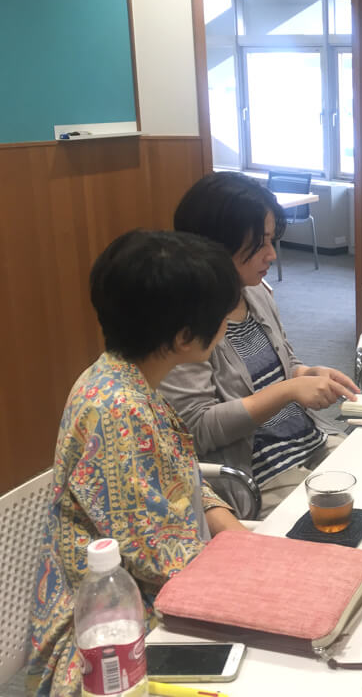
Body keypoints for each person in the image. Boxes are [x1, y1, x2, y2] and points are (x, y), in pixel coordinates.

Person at [27, 231, 247, 697]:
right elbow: (155, 555)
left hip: (151, 592)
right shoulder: (117, 408)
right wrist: (254, 571)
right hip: (110, 639)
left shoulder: (124, 376)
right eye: (221, 318)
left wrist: (232, 529)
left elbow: (177, 477)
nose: (226, 326)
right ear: (184, 336)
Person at [160, 172, 359, 516]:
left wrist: (305, 373)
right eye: (260, 244)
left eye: (271, 241)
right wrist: (288, 391)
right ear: (215, 244)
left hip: (309, 441)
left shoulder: (254, 292)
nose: (272, 255)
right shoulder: (187, 327)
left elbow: (285, 362)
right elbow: (198, 428)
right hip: (262, 474)